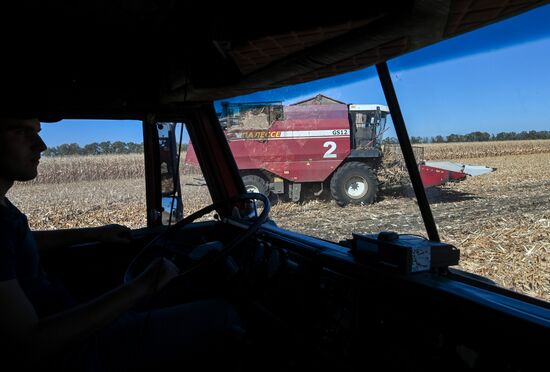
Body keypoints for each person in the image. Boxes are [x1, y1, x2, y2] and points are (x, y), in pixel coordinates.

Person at [0, 117, 242, 370]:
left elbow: (21, 244)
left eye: (36, 132)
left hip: (70, 318)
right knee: (223, 314)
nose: (41, 145)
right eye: (20, 131)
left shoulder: (4, 209)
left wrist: (93, 234)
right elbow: (28, 346)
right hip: (76, 350)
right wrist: (143, 286)